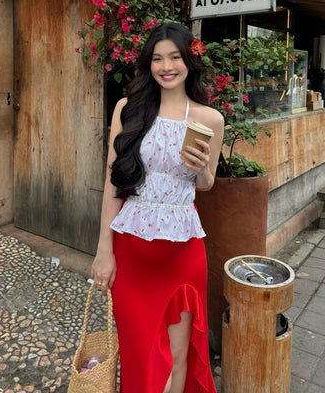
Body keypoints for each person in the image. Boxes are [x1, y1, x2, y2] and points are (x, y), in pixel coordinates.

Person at [91, 22, 224, 393]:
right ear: (149, 63)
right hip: (131, 255)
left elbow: (207, 184)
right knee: (139, 353)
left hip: (183, 258)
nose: (167, 66)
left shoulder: (210, 119)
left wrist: (200, 171)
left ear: (189, 63)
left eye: (176, 57)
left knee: (179, 355)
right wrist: (104, 251)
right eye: (158, 58)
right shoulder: (128, 110)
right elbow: (113, 182)